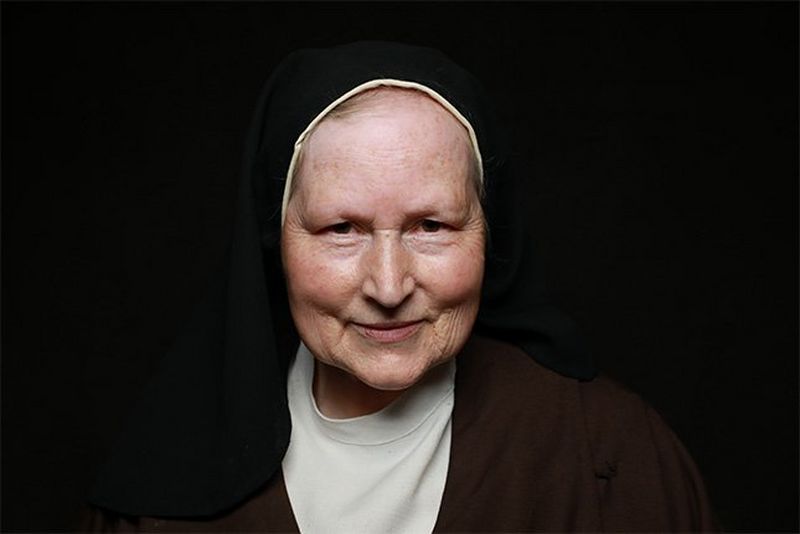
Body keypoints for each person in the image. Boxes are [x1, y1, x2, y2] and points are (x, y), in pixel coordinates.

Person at [83, 41, 717, 532]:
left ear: (489, 235)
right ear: (274, 242)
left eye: (431, 225)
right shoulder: (158, 488)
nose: (388, 285)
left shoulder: (610, 455)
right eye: (340, 229)